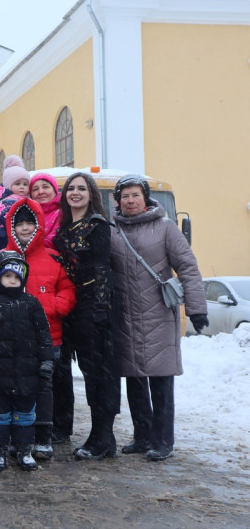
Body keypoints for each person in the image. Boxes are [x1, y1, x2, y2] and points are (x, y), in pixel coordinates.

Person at [110, 174, 208, 461]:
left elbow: (187, 268)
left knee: (161, 381)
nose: (130, 200)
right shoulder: (113, 231)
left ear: (145, 198)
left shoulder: (166, 229)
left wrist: (197, 308)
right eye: (124, 196)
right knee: (134, 380)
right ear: (118, 201)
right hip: (126, 318)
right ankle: (142, 436)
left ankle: (164, 440)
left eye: (135, 195)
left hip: (158, 316)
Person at [0, 198, 76, 460]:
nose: (25, 228)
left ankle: (42, 436)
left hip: (47, 337)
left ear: (39, 225)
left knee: (44, 389)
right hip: (8, 341)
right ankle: (14, 438)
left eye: (30, 223)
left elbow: (68, 291)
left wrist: (49, 308)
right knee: (11, 389)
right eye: (19, 223)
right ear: (11, 226)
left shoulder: (53, 258)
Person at [54, 172, 120, 459]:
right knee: (88, 372)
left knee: (101, 374)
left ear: (91, 194)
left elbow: (104, 267)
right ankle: (99, 436)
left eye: (82, 188)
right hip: (73, 307)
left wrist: (101, 307)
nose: (76, 193)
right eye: (71, 188)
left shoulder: (98, 226)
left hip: (95, 305)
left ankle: (103, 436)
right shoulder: (65, 229)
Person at [0, 251, 53, 472]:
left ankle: (24, 449)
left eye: (17, 277)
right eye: (7, 276)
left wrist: (46, 361)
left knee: (25, 415)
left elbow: (43, 335)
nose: (12, 281)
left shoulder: (31, 303)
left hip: (28, 373)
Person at [0, 155, 31, 249]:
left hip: (21, 232)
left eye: (25, 184)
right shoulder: (5, 201)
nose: (22, 187)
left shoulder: (26, 199)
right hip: (5, 235)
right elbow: (6, 217)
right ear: (8, 185)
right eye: (17, 184)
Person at [29, 173, 62, 248]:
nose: (40, 192)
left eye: (45, 187)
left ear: (55, 190)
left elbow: (53, 240)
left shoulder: (63, 212)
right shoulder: (27, 213)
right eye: (35, 189)